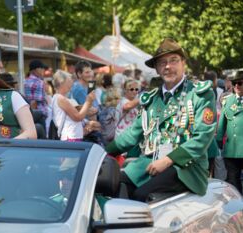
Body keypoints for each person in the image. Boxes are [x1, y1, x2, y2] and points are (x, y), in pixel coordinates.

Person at [106, 38, 216, 202]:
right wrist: (104, 151)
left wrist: (168, 160)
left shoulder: (200, 94)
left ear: (183, 63)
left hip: (185, 168)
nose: (168, 66)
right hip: (150, 163)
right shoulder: (151, 99)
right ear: (157, 69)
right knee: (113, 186)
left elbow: (202, 138)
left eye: (174, 61)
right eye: (162, 63)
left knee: (141, 196)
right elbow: (133, 134)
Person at [216, 70, 243, 194]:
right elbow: (222, 124)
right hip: (232, 150)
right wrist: (219, 140)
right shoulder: (228, 101)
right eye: (235, 83)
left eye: (240, 83)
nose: (237, 86)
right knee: (233, 181)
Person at [52, 70, 95, 141]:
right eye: (69, 81)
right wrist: (88, 102)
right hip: (70, 137)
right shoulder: (60, 99)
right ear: (62, 83)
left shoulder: (60, 98)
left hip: (72, 136)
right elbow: (78, 117)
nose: (71, 84)